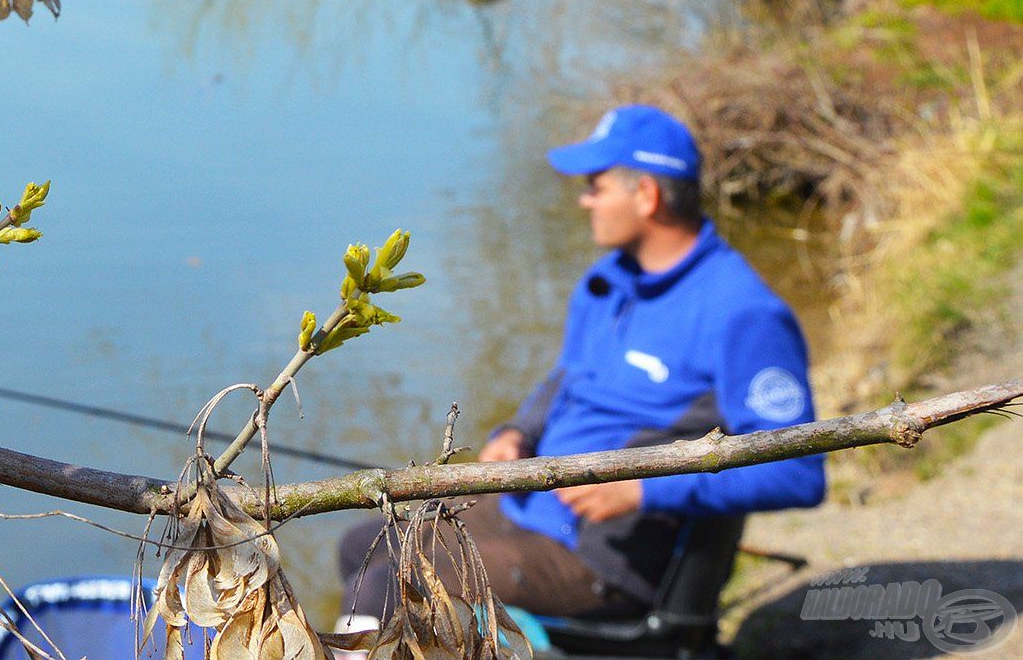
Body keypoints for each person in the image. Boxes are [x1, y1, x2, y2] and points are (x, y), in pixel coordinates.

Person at [339, 105, 825, 623]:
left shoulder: (744, 314)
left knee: (393, 581)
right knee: (363, 545)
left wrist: (642, 488)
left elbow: (797, 473)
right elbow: (568, 377)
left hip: (603, 558)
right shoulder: (609, 282)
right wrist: (517, 431)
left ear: (647, 196)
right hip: (529, 505)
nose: (584, 200)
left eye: (596, 185)